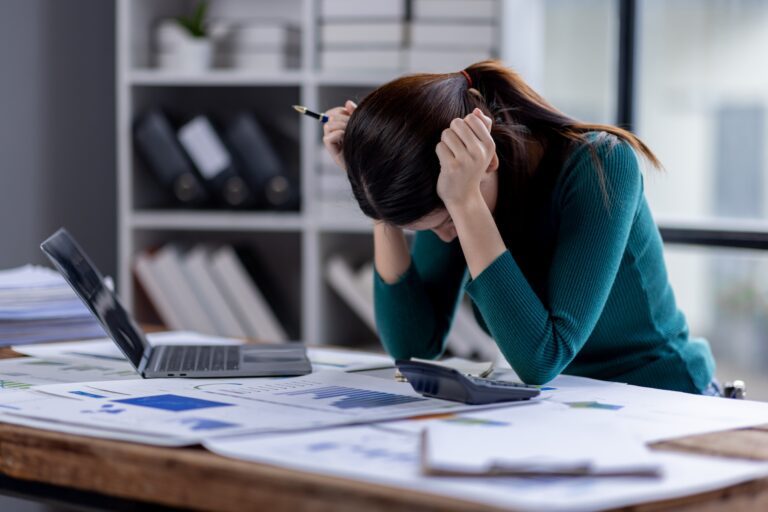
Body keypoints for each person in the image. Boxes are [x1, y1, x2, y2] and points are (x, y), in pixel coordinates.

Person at [322, 60, 716, 395]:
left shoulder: (601, 165)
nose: (444, 237)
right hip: (567, 406)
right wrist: (378, 204)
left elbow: (543, 357)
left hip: (665, 396)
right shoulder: (455, 192)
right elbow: (413, 347)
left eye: (444, 221)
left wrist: (464, 205)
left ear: (487, 159)